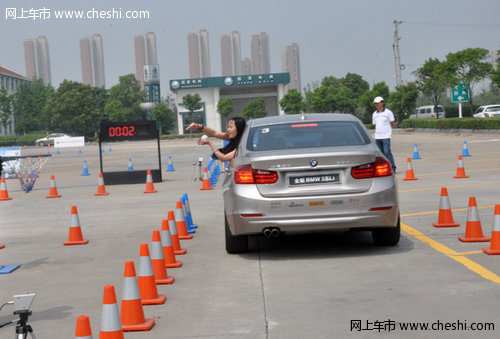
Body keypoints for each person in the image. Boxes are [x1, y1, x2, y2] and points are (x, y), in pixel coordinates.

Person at [372, 96, 396, 173]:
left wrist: (387, 131)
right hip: (378, 137)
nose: (376, 105)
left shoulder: (388, 112)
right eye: (375, 103)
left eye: (378, 103)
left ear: (382, 103)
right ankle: (384, 168)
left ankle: (392, 167)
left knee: (387, 152)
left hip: (386, 136)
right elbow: (375, 124)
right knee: (381, 154)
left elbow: (392, 123)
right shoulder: (374, 114)